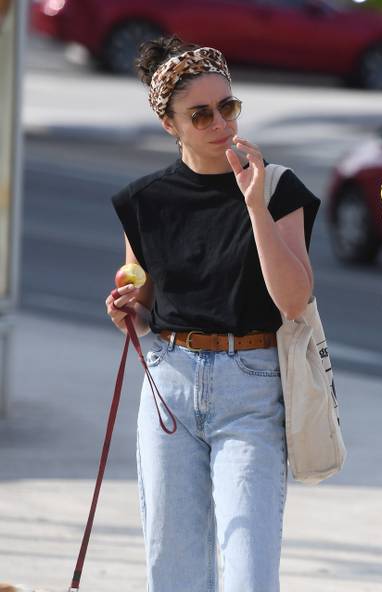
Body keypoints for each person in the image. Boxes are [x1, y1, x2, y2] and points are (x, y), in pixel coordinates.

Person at [104, 36, 319, 592]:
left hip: (252, 387)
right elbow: (144, 302)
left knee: (249, 571)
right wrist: (127, 308)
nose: (220, 123)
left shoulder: (277, 188)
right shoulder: (144, 200)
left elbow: (294, 300)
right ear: (170, 125)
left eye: (229, 107)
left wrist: (253, 204)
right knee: (172, 571)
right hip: (168, 385)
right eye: (201, 114)